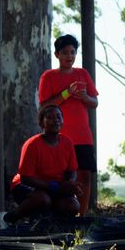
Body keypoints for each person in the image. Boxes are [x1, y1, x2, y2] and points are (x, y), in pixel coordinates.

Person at [38, 34, 98, 216]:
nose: (69, 56)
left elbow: (94, 102)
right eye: (65, 53)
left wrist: (85, 97)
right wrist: (67, 93)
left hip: (83, 135)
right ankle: (62, 212)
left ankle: (83, 215)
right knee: (62, 176)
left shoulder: (82, 74)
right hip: (59, 136)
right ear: (57, 55)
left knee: (85, 174)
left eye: (72, 52)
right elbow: (44, 106)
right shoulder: (48, 76)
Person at [0, 105, 83, 227]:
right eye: (50, 117)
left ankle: (46, 219)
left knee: (73, 205)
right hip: (26, 185)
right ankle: (9, 218)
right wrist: (54, 187)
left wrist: (69, 184)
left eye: (59, 117)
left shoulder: (67, 142)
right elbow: (25, 178)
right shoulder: (32, 144)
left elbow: (72, 170)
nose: (56, 120)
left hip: (54, 186)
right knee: (43, 200)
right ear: (41, 122)